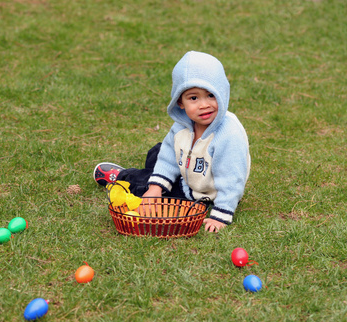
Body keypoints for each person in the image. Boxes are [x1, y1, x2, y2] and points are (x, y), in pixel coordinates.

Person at [94, 51, 250, 233]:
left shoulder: (229, 134)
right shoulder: (182, 125)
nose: (204, 104)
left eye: (211, 95)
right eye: (193, 98)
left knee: (148, 191)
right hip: (187, 170)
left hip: (201, 192)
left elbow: (232, 179)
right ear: (180, 102)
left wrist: (220, 215)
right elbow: (169, 156)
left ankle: (124, 177)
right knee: (158, 153)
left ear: (222, 93)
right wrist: (155, 187)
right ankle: (155, 178)